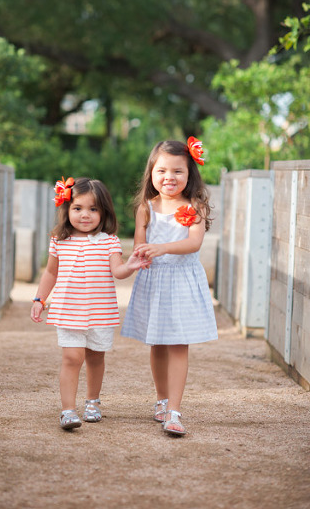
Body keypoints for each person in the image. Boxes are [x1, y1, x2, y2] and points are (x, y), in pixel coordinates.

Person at [121, 137, 217, 436]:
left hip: (182, 279)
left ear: (190, 175)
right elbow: (139, 241)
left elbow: (193, 242)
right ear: (151, 172)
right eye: (162, 170)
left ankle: (175, 409)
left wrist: (160, 248)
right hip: (155, 279)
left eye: (178, 171)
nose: (169, 177)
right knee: (157, 342)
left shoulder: (195, 206)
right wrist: (140, 254)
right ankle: (161, 400)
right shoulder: (145, 207)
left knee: (178, 343)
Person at [31, 176, 143, 430]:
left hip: (99, 312)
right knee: (72, 357)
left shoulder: (108, 241)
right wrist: (40, 299)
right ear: (66, 209)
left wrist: (131, 266)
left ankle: (92, 402)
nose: (85, 215)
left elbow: (118, 271)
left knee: (95, 357)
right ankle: (68, 410)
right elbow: (50, 273)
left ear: (104, 213)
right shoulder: (59, 240)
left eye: (93, 209)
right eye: (78, 208)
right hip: (68, 309)